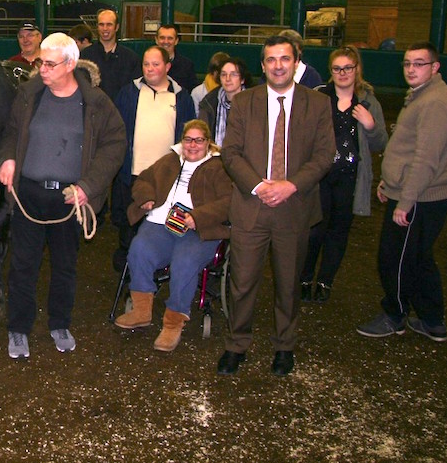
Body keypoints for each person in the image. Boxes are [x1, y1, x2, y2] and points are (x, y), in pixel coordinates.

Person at [0, 32, 126, 359]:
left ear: (70, 64)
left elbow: (115, 145)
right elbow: (11, 133)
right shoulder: (28, 95)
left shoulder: (96, 103)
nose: (42, 68)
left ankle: (59, 323)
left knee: (65, 266)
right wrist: (7, 158)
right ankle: (18, 328)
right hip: (28, 194)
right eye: (41, 62)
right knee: (23, 265)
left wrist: (89, 186)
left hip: (70, 200)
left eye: (50, 64)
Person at [218, 35, 335, 376]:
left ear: (297, 63)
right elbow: (231, 152)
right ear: (263, 64)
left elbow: (324, 155)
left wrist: (290, 185)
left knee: (288, 283)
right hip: (250, 206)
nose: (278, 65)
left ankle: (285, 346)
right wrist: (257, 185)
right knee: (242, 282)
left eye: (285, 59)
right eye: (271, 59)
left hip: (293, 207)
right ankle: (237, 343)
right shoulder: (244, 102)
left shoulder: (317, 104)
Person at [357, 41, 447, 343]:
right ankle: (431, 319)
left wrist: (405, 201)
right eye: (407, 63)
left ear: (434, 67)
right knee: (419, 257)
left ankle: (395, 314)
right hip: (417, 194)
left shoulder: (434, 104)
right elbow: (407, 149)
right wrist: (389, 182)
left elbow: (425, 159)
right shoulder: (423, 97)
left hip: (420, 198)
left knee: (395, 258)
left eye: (419, 63)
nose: (411, 69)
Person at [115, 120, 233, 351]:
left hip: (199, 228)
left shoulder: (219, 168)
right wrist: (147, 197)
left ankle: (173, 322)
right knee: (139, 249)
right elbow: (144, 180)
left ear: (208, 143)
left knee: (185, 261)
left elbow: (230, 202)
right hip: (161, 223)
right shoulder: (170, 160)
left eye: (199, 140)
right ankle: (141, 310)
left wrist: (198, 216)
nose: (192, 145)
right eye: (188, 139)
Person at [301, 47, 388, 303]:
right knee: (315, 228)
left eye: (347, 68)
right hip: (320, 174)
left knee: (338, 231)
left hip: (350, 177)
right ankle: (305, 277)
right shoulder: (319, 97)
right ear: (331, 71)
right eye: (337, 68)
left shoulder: (368, 102)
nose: (342, 73)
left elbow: (380, 141)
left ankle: (326, 280)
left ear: (356, 69)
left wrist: (370, 126)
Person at [111, 45, 196, 273]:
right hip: (133, 174)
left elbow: (190, 139)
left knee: (159, 228)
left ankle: (156, 271)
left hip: (165, 179)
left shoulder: (182, 98)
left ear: (168, 66)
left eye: (156, 64)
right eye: (146, 64)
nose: (150, 69)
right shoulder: (128, 93)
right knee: (129, 226)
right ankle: (129, 275)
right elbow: (116, 131)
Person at [79, 8, 140, 103]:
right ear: (97, 27)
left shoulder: (131, 58)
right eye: (101, 24)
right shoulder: (85, 56)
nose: (105, 29)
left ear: (117, 27)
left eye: (109, 24)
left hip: (120, 113)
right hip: (93, 112)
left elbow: (135, 91)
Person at [198, 56, 252, 147]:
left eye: (233, 74)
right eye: (223, 74)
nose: (227, 79)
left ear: (242, 79)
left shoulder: (252, 103)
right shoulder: (209, 102)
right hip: (214, 156)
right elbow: (202, 134)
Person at [154, 24, 197, 93]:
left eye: (170, 38)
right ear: (156, 40)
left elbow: (192, 92)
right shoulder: (147, 64)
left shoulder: (187, 66)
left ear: (176, 41)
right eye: (162, 38)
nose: (166, 41)